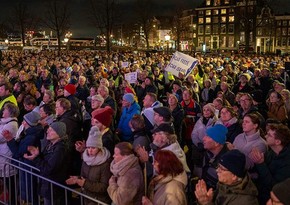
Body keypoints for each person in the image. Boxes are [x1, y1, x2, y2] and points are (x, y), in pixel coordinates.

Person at [4, 111, 44, 204]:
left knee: (29, 190)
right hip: (26, 166)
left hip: (28, 166)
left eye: (25, 121)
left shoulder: (31, 137)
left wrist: (10, 140)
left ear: (30, 123)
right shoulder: (30, 133)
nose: (22, 122)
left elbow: (19, 152)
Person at [24, 122, 68, 205]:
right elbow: (46, 161)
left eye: (51, 130)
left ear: (59, 133)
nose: (47, 131)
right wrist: (37, 155)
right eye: (48, 129)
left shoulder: (60, 149)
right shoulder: (51, 144)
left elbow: (49, 168)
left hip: (53, 186)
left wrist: (36, 158)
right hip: (47, 184)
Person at [66, 125, 112, 204]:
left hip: (98, 200)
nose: (90, 151)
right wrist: (78, 178)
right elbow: (85, 176)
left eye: (93, 148)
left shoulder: (105, 163)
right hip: (86, 198)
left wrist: (84, 183)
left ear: (99, 148)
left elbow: (104, 187)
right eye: (88, 147)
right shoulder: (85, 158)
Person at [195, 150, 259, 205]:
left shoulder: (246, 201)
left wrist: (206, 203)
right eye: (218, 166)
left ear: (234, 176)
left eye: (222, 169)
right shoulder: (225, 184)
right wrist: (207, 198)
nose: (217, 170)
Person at [250, 123, 290, 204]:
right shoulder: (271, 152)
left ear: (278, 142)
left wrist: (260, 163)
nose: (265, 136)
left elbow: (274, 186)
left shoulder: (287, 163)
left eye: (269, 135)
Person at [195, 124, 229, 190]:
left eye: (208, 136)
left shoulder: (226, 163)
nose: (203, 139)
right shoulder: (207, 153)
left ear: (216, 143)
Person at [0, 103, 19, 204]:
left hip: (7, 155)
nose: (2, 111)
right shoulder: (4, 122)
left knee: (9, 182)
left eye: (5, 109)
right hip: (2, 155)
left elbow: (1, 137)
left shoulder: (11, 125)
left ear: (10, 112)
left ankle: (13, 201)